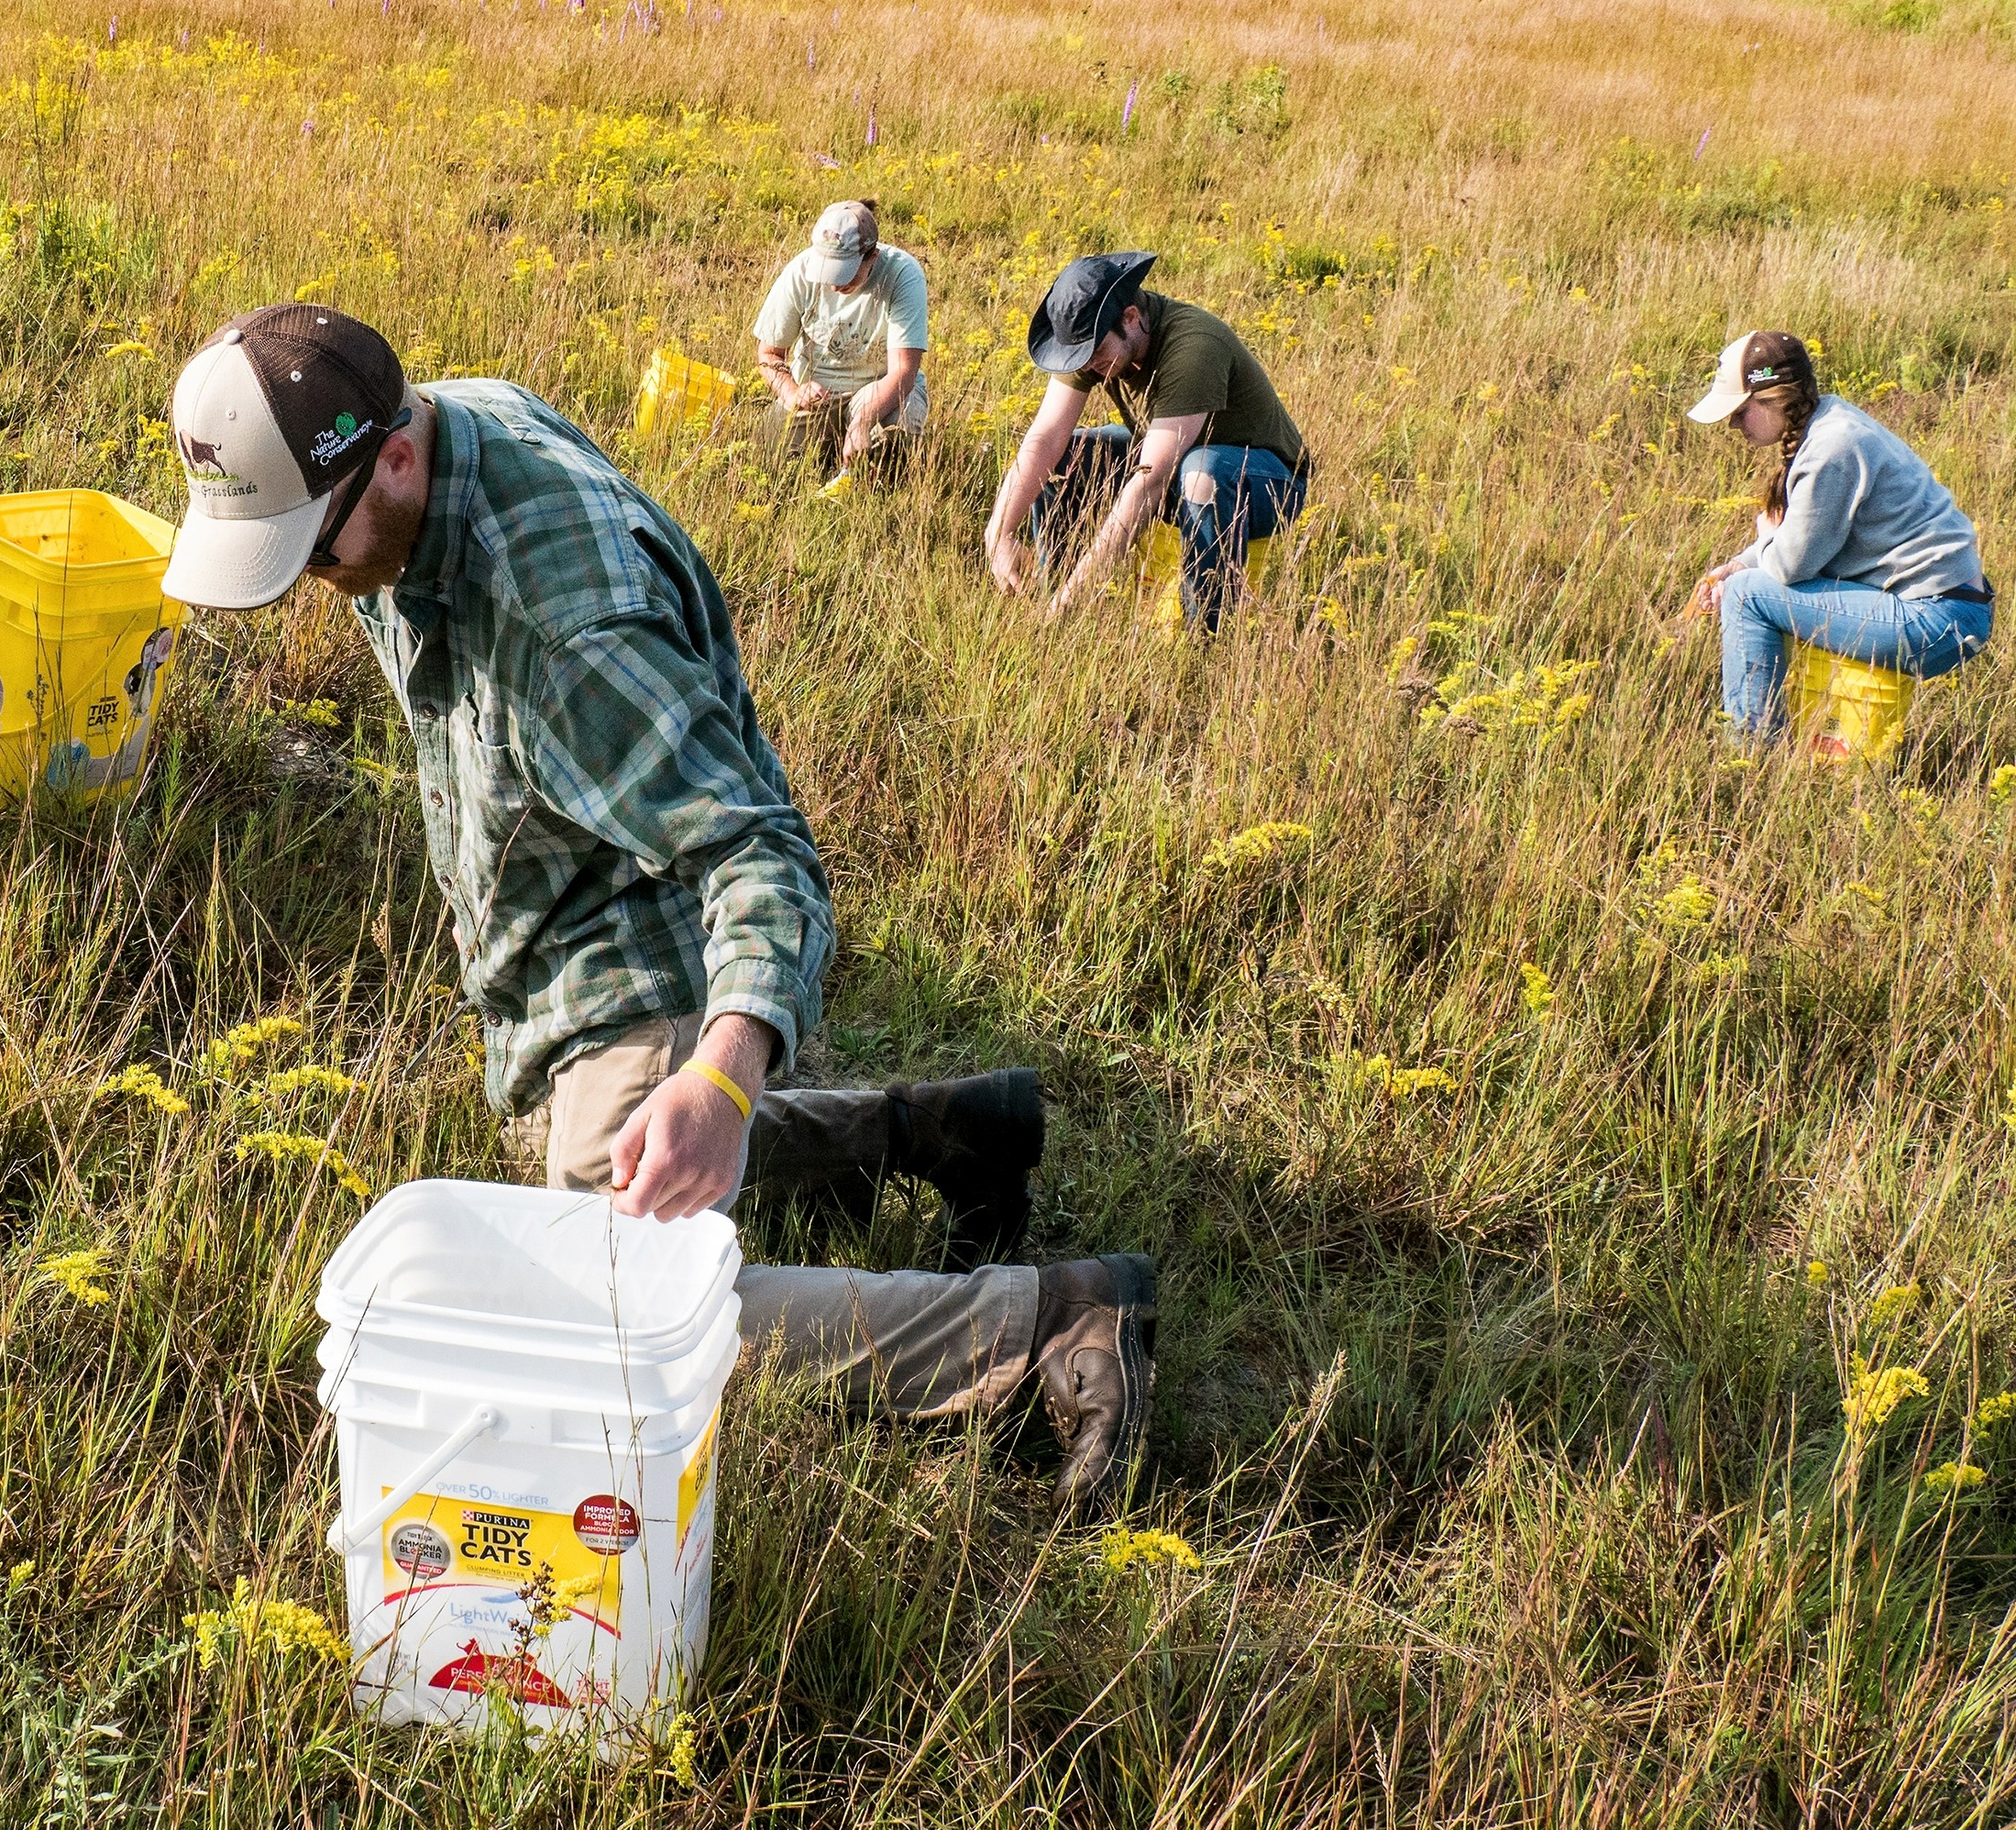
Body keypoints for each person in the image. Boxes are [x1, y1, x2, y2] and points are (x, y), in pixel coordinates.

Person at [162, 303, 1154, 1502]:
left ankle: (1051, 1328)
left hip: (648, 929)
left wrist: (726, 1077)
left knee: (607, 1313)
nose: (317, 586)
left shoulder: (568, 634)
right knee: (580, 1172)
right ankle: (934, 1131)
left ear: (400, 455)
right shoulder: (440, 423)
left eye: (311, 551)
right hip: (560, 914)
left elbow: (761, 861)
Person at [1684, 330, 1994, 737]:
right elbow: (1798, 540)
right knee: (1744, 580)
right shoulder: (1829, 422)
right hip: (1948, 609)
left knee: (1746, 595)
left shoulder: (1832, 448)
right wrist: (1739, 563)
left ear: (1775, 398)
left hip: (1937, 621)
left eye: (1741, 411)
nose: (1731, 424)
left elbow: (1790, 566)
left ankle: (1750, 752)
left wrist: (1759, 550)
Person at [985, 251, 1310, 633]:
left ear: (1131, 319)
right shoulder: (1099, 344)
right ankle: (1048, 592)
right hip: (1175, 459)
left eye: (1095, 353)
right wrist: (999, 533)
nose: (1089, 366)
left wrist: (1076, 596)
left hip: (1266, 483)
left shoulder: (1194, 347)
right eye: (1079, 358)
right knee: (1069, 455)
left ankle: (1201, 635)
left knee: (1201, 474)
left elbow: (1151, 480)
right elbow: (1045, 438)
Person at [750, 199, 930, 480]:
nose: (834, 285)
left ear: (872, 256)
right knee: (775, 459)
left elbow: (904, 370)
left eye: (845, 272)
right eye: (827, 271)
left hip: (881, 388)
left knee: (897, 440)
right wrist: (793, 393)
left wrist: (862, 422)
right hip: (819, 393)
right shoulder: (799, 272)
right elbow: (770, 355)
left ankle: (870, 481)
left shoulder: (903, 275)